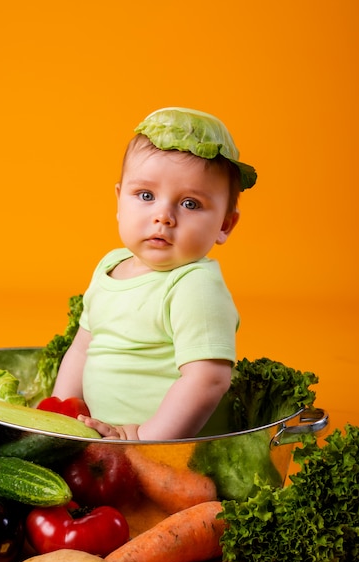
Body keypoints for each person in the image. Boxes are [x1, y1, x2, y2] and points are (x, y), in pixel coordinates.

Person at [52, 107, 257, 440]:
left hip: (162, 448)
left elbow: (208, 380)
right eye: (145, 195)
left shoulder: (194, 286)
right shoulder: (110, 266)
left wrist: (143, 438)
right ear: (119, 202)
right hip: (102, 441)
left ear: (224, 224)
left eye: (190, 203)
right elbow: (81, 349)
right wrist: (58, 412)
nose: (163, 216)